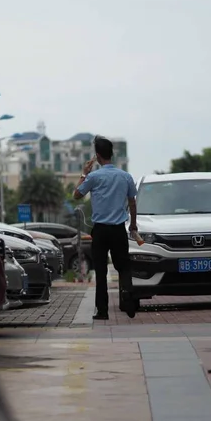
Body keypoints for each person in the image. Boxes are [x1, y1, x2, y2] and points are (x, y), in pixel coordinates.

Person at [73, 135, 139, 319]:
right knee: (124, 266)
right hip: (119, 229)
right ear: (111, 155)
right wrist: (133, 225)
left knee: (101, 270)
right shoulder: (125, 176)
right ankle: (129, 300)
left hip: (101, 230)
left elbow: (76, 195)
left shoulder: (93, 177)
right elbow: (132, 203)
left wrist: (84, 173)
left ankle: (102, 311)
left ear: (97, 156)